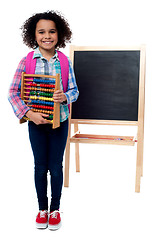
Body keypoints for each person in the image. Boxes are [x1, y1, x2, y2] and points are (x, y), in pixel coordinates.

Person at [8, 10, 79, 230]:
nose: (46, 36)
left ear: (60, 34)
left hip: (60, 122)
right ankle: (42, 209)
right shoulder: (27, 61)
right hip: (36, 124)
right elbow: (13, 92)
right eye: (41, 32)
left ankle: (55, 209)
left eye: (52, 31)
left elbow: (75, 91)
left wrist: (64, 96)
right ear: (34, 35)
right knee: (40, 167)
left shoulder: (64, 62)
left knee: (55, 167)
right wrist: (29, 113)